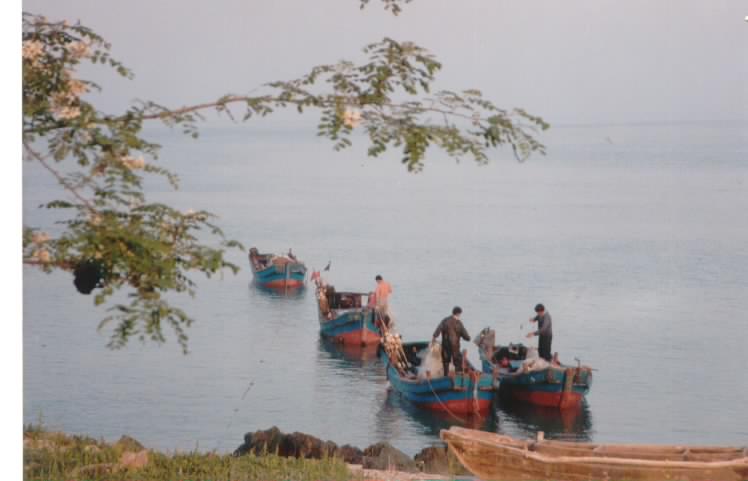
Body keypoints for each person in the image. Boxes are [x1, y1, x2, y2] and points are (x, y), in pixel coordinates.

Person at [432, 306, 471, 376]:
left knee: (446, 362)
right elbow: (465, 335)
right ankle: (458, 376)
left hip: (446, 346)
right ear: (458, 314)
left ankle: (446, 376)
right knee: (457, 361)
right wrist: (468, 338)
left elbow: (438, 329)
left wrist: (434, 336)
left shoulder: (445, 320)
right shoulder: (459, 323)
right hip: (455, 346)